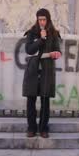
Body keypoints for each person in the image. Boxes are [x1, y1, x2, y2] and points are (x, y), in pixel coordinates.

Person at [22, 8, 62, 138]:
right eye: (40, 19)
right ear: (37, 19)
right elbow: (29, 50)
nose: (42, 22)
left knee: (45, 99)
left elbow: (57, 50)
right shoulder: (32, 33)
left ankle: (44, 128)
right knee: (31, 99)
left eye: (44, 19)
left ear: (48, 20)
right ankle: (31, 128)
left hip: (47, 70)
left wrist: (56, 53)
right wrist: (41, 39)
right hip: (33, 70)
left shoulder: (54, 34)